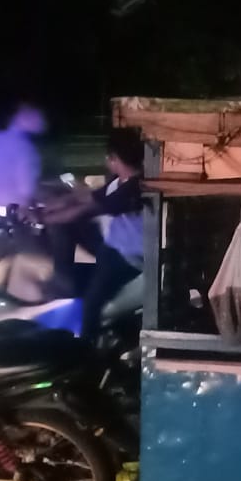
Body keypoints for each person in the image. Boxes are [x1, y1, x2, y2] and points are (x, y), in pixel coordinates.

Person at [43, 128, 145, 339]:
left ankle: (84, 346)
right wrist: (44, 208)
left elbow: (85, 210)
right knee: (68, 230)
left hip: (125, 257)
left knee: (92, 303)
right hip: (111, 245)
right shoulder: (119, 182)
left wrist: (42, 219)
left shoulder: (135, 188)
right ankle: (64, 283)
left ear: (113, 158)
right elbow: (83, 198)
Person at [0, 103, 46, 209]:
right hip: (12, 206)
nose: (42, 121)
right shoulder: (25, 147)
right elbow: (26, 188)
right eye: (38, 116)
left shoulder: (1, 137)